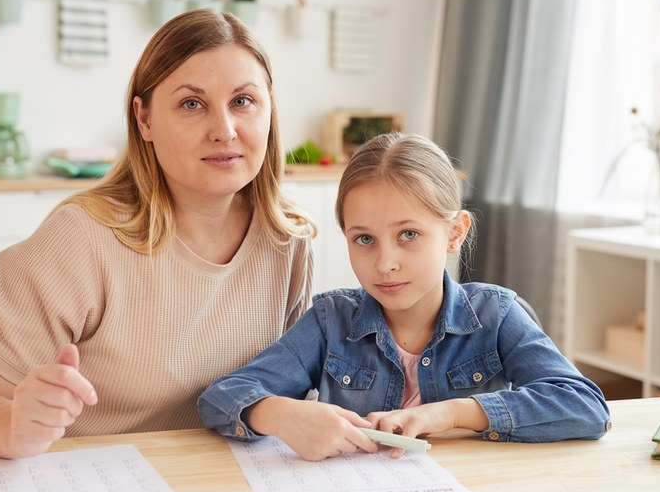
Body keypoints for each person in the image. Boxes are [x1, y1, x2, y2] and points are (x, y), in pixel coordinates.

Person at [0, 9, 315, 459]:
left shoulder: (287, 240)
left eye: (243, 101)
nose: (224, 130)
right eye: (191, 104)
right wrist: (11, 425)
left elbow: (290, 388)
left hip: (222, 489)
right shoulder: (83, 241)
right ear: (144, 120)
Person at [198, 132, 611, 461]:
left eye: (408, 234)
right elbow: (221, 398)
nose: (385, 263)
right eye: (364, 239)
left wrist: (451, 412)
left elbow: (585, 407)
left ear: (454, 232)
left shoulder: (496, 314)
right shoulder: (330, 321)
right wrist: (282, 413)